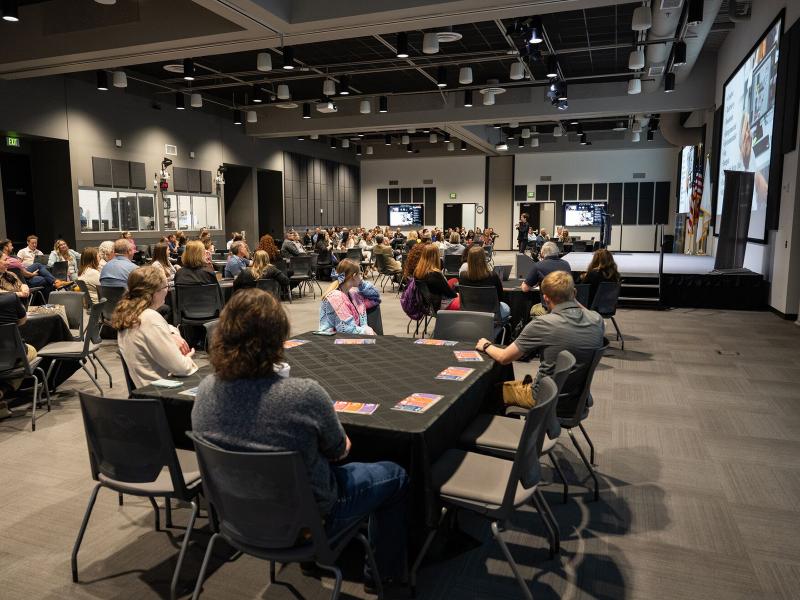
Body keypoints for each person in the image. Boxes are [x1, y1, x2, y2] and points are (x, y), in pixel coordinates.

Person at [192, 289, 408, 588]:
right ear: (279, 337)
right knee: (395, 475)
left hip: (237, 515)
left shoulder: (205, 391)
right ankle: (386, 578)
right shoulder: (303, 394)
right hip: (312, 518)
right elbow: (339, 451)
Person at [476, 270, 605, 411]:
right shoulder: (597, 320)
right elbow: (586, 311)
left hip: (544, 398)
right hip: (577, 399)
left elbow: (504, 358)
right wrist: (571, 296)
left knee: (489, 391)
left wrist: (486, 345)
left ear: (546, 298)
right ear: (574, 293)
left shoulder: (543, 324)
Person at [114, 266, 197, 388]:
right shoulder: (150, 319)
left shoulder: (129, 315)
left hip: (144, 393)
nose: (167, 291)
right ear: (153, 293)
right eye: (165, 287)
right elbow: (182, 368)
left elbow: (165, 327)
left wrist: (172, 334)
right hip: (163, 393)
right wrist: (188, 357)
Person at [319, 259, 380, 335]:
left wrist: (361, 283)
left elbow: (375, 298)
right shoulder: (336, 297)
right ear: (354, 276)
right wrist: (367, 331)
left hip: (351, 337)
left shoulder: (353, 293)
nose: (361, 277)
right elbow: (346, 329)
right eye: (360, 274)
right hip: (334, 340)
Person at [459, 245, 510, 321]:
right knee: (506, 307)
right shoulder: (493, 276)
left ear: (469, 259)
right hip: (491, 313)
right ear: (483, 259)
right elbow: (500, 297)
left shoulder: (462, 276)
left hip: (468, 312)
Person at [414, 244, 457, 311]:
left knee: (453, 280)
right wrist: (458, 294)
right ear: (436, 256)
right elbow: (450, 294)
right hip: (438, 304)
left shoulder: (418, 271)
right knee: (464, 300)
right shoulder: (435, 274)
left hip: (426, 303)